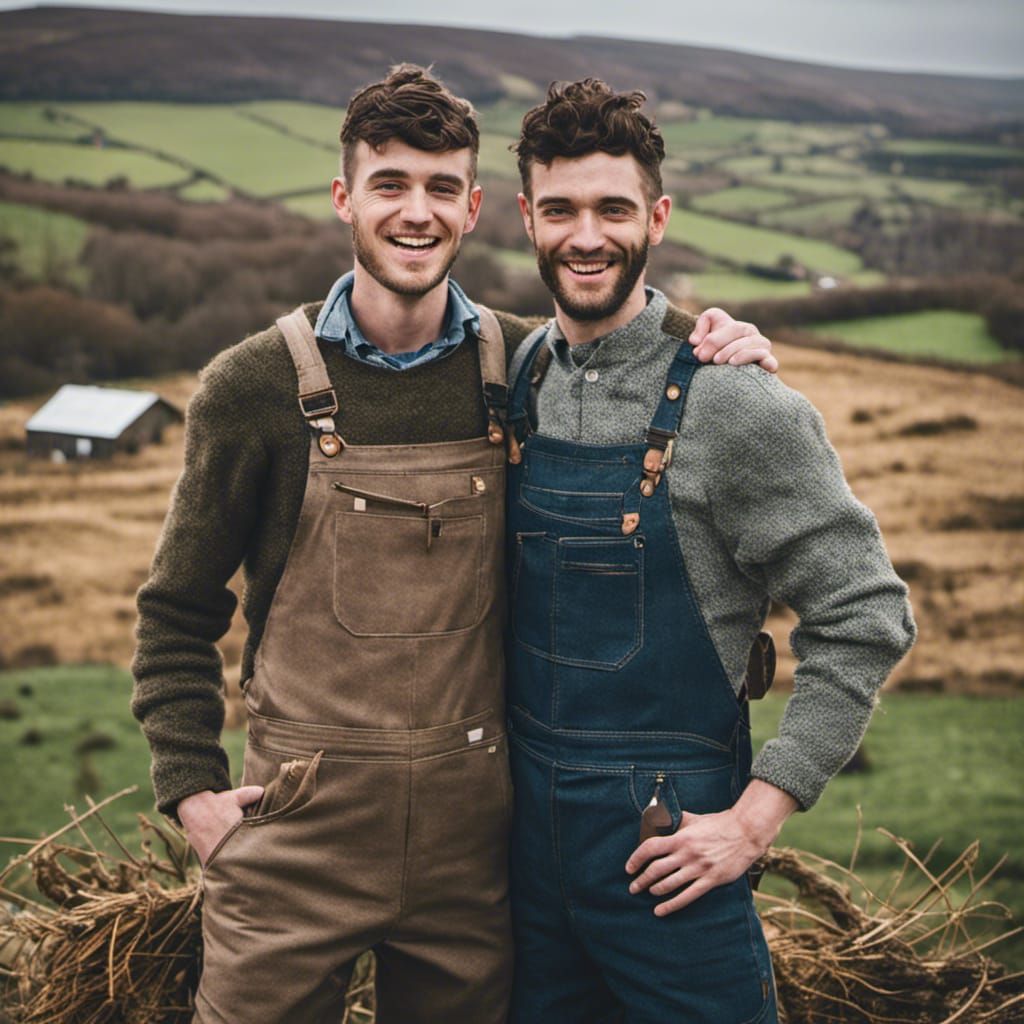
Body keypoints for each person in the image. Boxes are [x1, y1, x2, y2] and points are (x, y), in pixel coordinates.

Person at [131, 65, 777, 1024]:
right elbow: (178, 610)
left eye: (441, 188)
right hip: (297, 840)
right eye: (389, 184)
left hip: (475, 851)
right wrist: (194, 794)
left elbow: (627, 342)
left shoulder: (518, 364)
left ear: (476, 208)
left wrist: (724, 346)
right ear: (345, 196)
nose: (415, 213)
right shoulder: (253, 385)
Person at [504, 78, 917, 1024]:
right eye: (560, 210)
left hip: (671, 855)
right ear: (527, 217)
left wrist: (757, 819)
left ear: (658, 214)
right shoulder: (519, 371)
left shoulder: (739, 404)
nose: (586, 236)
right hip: (522, 853)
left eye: (614, 209)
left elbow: (865, 615)